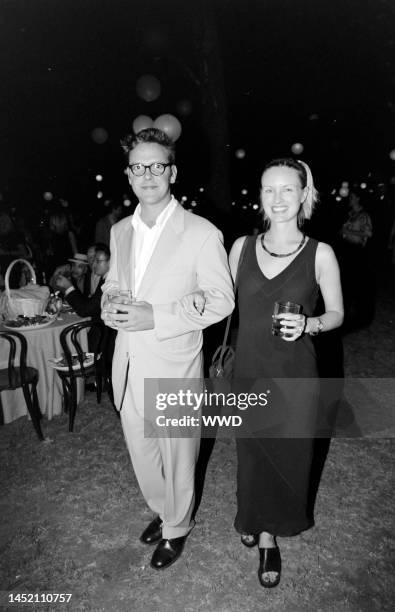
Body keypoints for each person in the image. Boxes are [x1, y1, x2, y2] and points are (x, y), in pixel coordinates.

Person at [101, 127, 234, 570]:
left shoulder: (200, 232)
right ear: (128, 174)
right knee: (142, 451)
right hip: (128, 362)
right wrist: (108, 304)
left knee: (178, 454)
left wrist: (155, 317)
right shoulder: (120, 231)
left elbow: (221, 299)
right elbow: (114, 283)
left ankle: (177, 527)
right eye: (139, 166)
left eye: (158, 165)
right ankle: (164, 509)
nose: (148, 174)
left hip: (174, 362)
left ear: (172, 172)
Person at [229, 158, 343, 588]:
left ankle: (268, 534)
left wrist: (311, 324)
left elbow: (336, 313)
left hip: (296, 374)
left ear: (303, 195)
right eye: (268, 189)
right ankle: (256, 523)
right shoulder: (241, 247)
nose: (277, 199)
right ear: (260, 195)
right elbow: (219, 299)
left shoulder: (321, 253)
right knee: (253, 453)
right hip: (251, 369)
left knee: (288, 456)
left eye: (286, 190)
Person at [339, 189, 373, 328]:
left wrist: (347, 231)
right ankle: (344, 311)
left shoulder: (363, 215)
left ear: (358, 199)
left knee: (352, 281)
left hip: (356, 252)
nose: (349, 199)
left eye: (352, 196)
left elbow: (368, 234)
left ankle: (355, 313)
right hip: (346, 249)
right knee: (344, 282)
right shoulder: (350, 214)